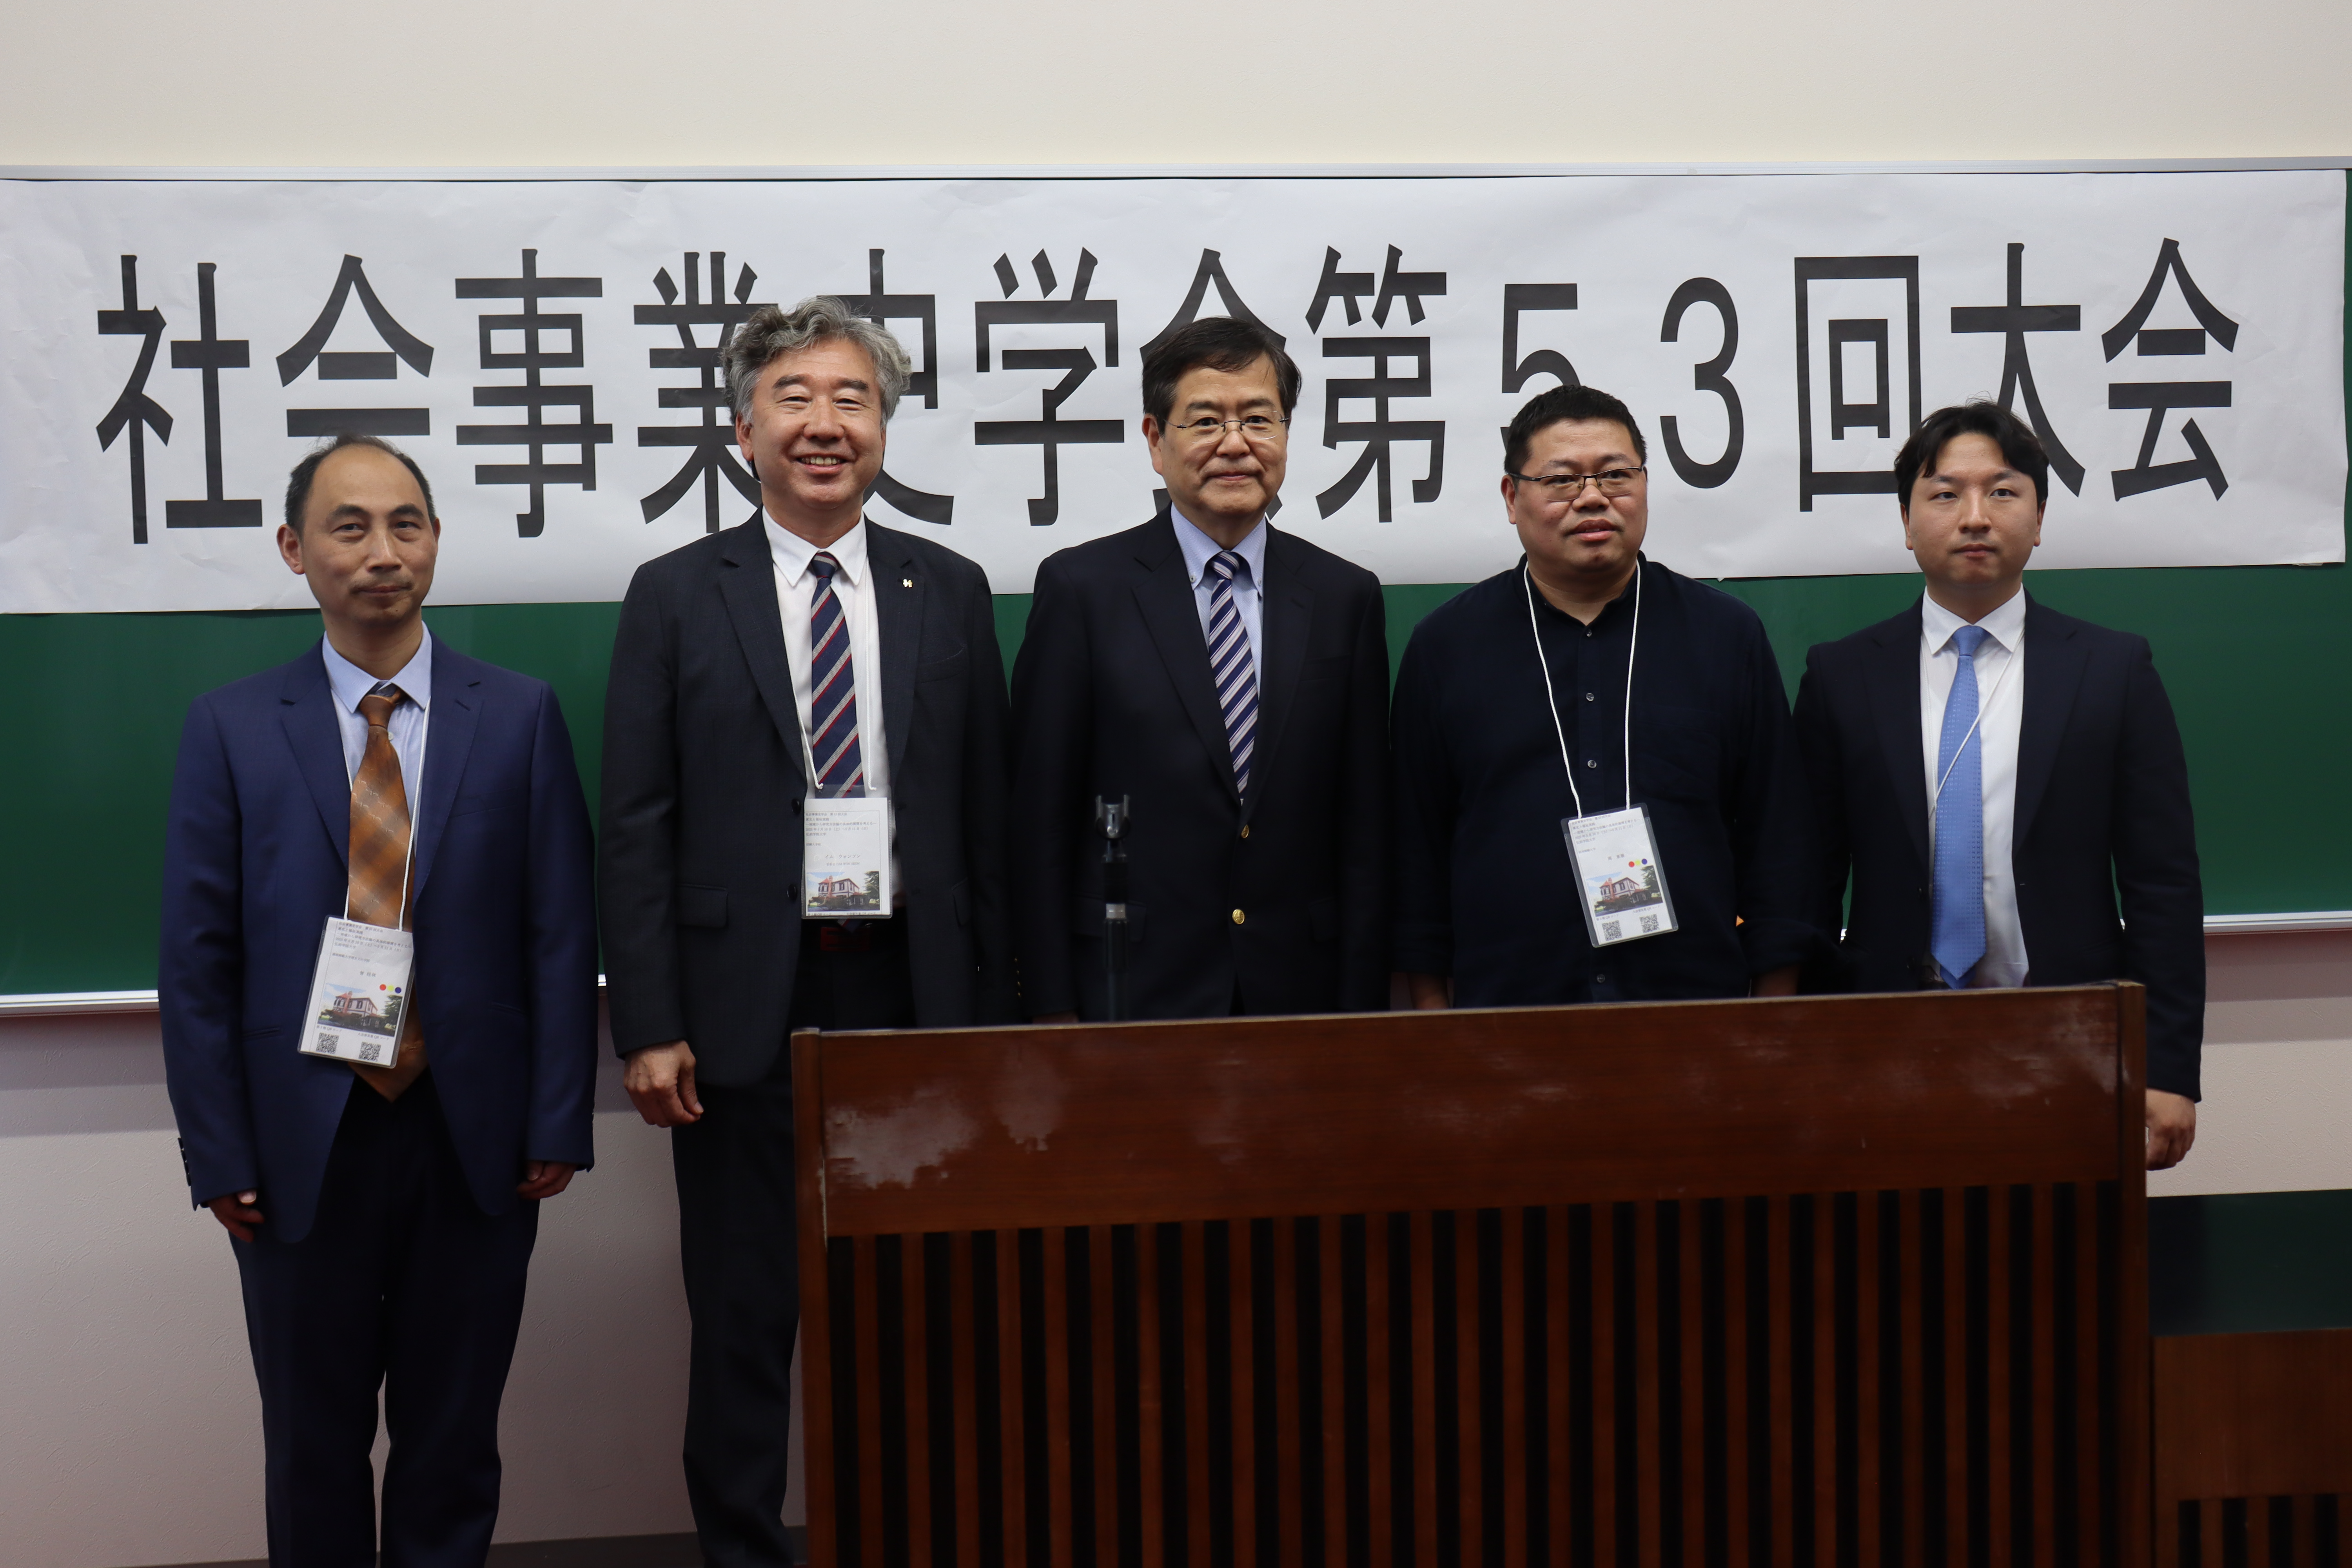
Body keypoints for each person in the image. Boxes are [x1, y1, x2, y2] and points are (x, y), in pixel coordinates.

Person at [599, 297, 1016, 1567]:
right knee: (742, 1322)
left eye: (853, 400)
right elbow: (637, 822)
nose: (826, 424)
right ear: (744, 431)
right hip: (744, 1016)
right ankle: (744, 1550)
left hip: (911, 1004)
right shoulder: (676, 595)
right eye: (795, 399)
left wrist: (996, 1025)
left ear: (885, 428)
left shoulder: (949, 589)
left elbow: (988, 818)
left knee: (917, 1319)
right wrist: (651, 1023)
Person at [160, 434, 598, 1568]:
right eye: (349, 527)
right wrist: (219, 1150)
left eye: (407, 524)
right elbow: (198, 962)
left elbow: (560, 934)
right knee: (312, 1444)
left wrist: (556, 1121)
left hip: (473, 1135)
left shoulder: (520, 714)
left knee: (454, 1442)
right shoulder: (231, 725)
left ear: (436, 540)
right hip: (298, 1142)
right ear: (294, 548)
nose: (382, 552)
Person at [1793, 399, 2202, 1168]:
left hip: (2070, 1037)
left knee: (2067, 1242)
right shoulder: (1842, 675)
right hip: (1885, 1041)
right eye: (1945, 494)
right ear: (1907, 521)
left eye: (2004, 491)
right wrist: (1804, 1044)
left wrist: (2170, 1068)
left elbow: (2164, 885)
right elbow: (1809, 881)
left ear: (2039, 518)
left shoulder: (2112, 670)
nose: (1975, 516)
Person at [1010, 315, 1391, 1021]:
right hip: (1130, 993)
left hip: (1301, 995)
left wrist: (1361, 1010)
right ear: (1156, 441)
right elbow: (1039, 823)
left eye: (1259, 419)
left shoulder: (1345, 597)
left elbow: (1365, 830)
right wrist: (1052, 1012)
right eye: (1206, 421)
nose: (1235, 444)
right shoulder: (1082, 591)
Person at [1392, 383, 1816, 1008]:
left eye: (1616, 475)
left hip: (1695, 1015)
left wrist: (1770, 1017)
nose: (1593, 498)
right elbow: (1415, 855)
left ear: (1644, 485)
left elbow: (1778, 842)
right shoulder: (1446, 647)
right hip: (1505, 1021)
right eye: (1562, 480)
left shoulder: (1725, 636)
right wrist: (1434, 1019)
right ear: (1512, 497)